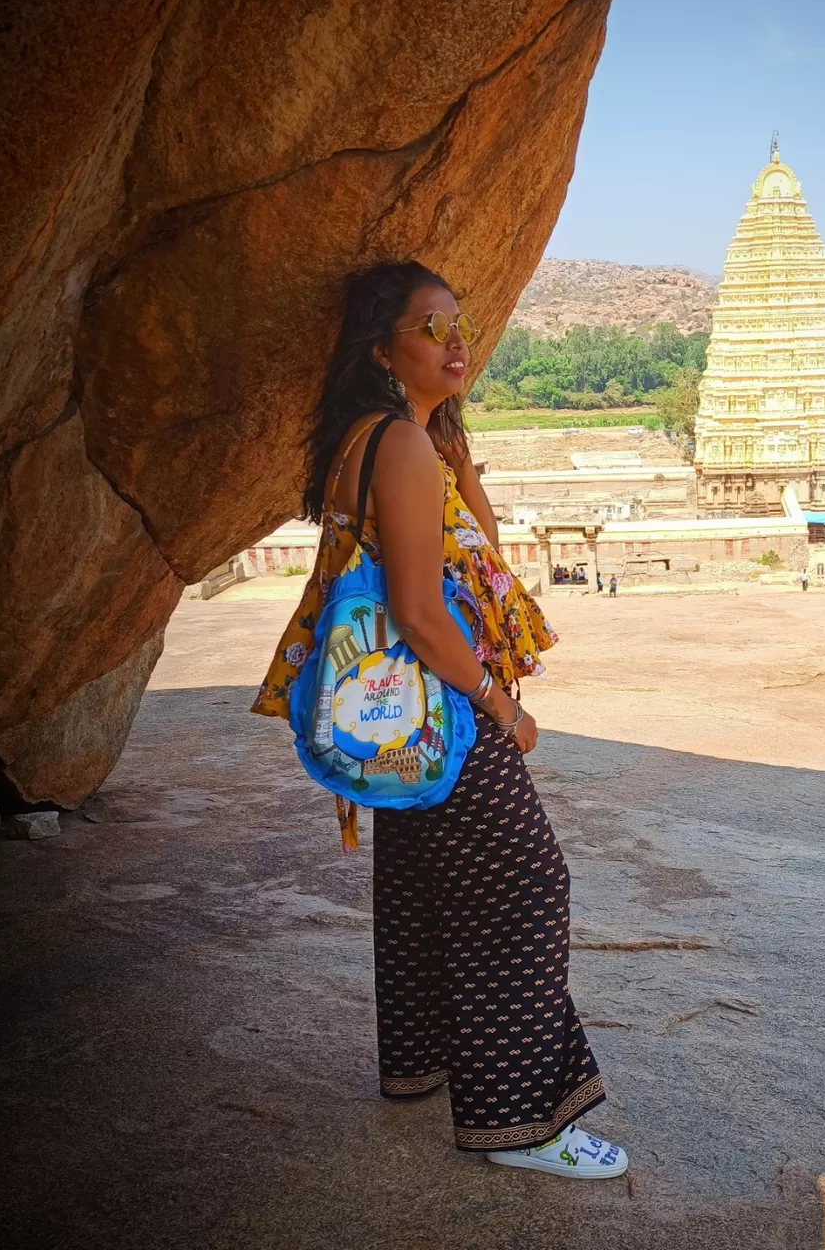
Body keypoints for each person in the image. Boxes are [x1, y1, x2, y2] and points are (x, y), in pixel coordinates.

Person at [252, 261, 625, 1180]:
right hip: (442, 709)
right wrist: (501, 706)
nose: (458, 344)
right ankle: (524, 1122)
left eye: (461, 325)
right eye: (430, 328)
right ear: (384, 349)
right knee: (526, 892)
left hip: (394, 715)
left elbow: (483, 553)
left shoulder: (378, 439)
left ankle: (420, 1064)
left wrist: (456, 454)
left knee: (423, 886)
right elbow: (422, 612)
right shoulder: (399, 447)